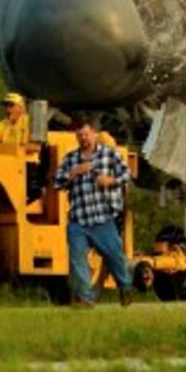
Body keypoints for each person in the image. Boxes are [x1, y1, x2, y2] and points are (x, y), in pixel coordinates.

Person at [52, 118, 135, 307]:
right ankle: (85, 298)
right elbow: (57, 183)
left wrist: (110, 180)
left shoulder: (108, 154)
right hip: (79, 220)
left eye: (86, 134)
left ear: (94, 134)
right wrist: (72, 173)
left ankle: (126, 287)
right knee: (77, 258)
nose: (83, 138)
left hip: (103, 218)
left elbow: (127, 174)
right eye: (80, 135)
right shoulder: (70, 159)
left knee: (115, 256)